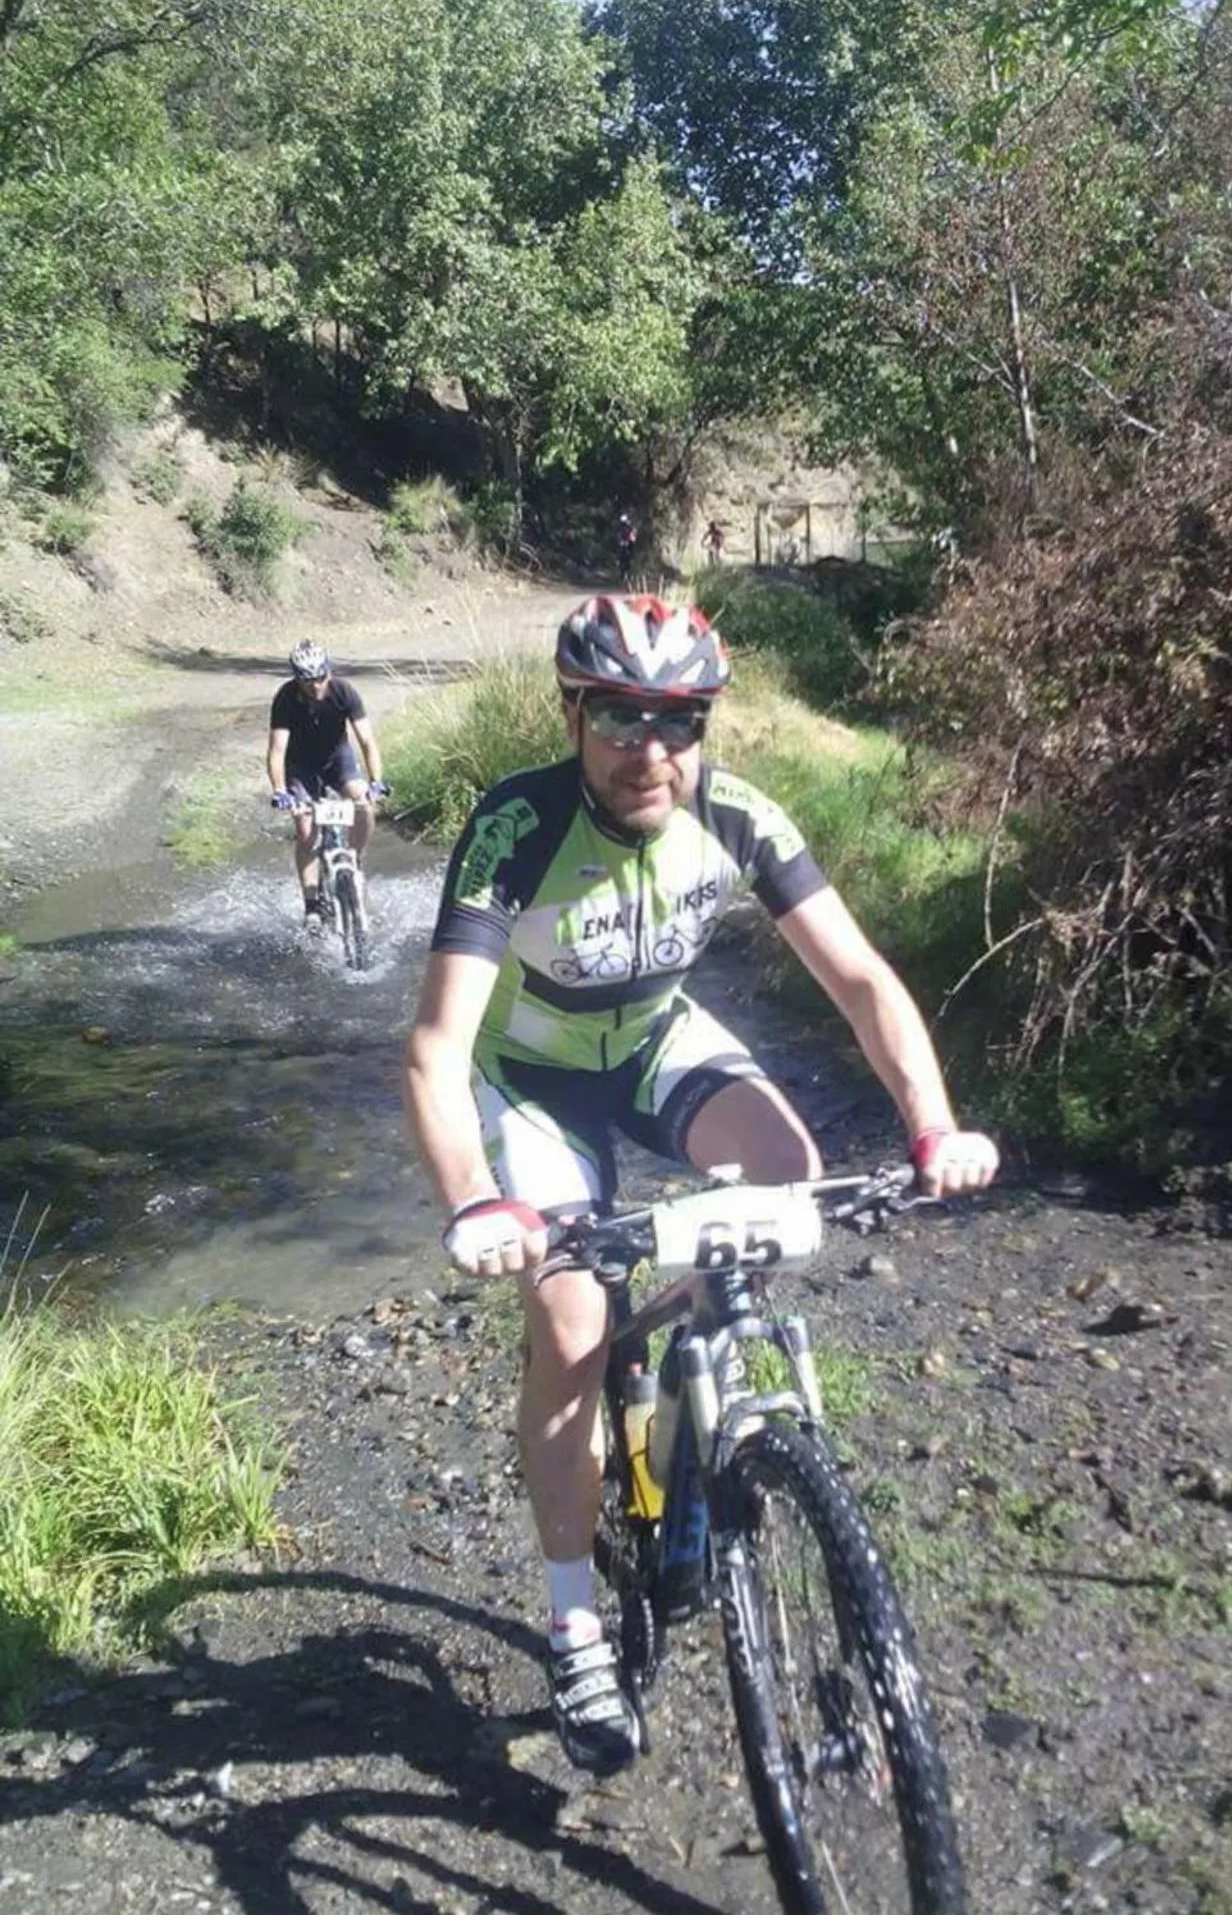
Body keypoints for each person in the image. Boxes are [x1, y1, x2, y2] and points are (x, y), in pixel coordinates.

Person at [403, 594, 999, 1778]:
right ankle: (574, 1615)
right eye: (620, 716)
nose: (649, 748)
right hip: (533, 1076)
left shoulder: (733, 811)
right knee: (570, 1321)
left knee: (787, 1186)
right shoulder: (514, 822)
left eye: (679, 720)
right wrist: (475, 1198)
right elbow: (433, 1047)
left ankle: (687, 1388)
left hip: (657, 1040)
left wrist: (932, 1126)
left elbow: (863, 982)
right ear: (573, 713)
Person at [266, 639, 388, 928]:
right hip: (300, 765)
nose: (316, 686)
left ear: (328, 672)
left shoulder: (344, 692)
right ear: (297, 678)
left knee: (364, 807)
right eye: (307, 680)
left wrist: (376, 782)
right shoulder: (285, 698)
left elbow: (367, 741)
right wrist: (280, 791)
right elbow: (276, 751)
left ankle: (354, 860)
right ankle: (311, 904)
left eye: (321, 677)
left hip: (337, 760)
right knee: (306, 829)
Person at [615, 509, 638, 586]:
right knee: (620, 553)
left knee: (629, 554)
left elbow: (633, 535)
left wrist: (631, 539)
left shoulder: (630, 527)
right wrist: (620, 541)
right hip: (622, 543)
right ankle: (618, 562)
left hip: (628, 544)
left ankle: (629, 570)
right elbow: (618, 536)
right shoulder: (619, 528)